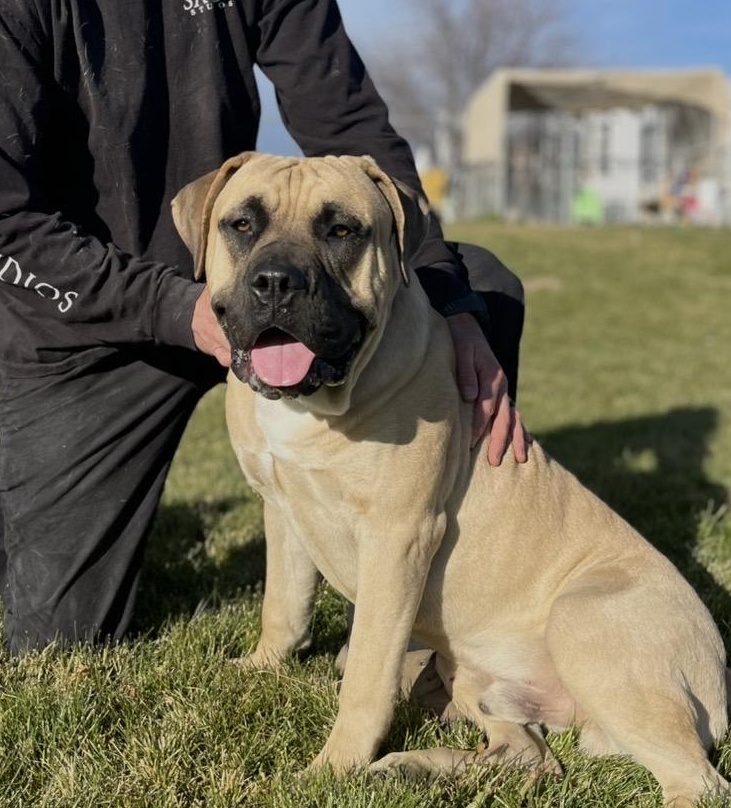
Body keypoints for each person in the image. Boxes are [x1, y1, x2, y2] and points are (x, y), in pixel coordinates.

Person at [0, 0, 528, 655]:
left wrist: (451, 303)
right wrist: (177, 307)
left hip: (250, 282)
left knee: (484, 286)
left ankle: (445, 584)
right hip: (91, 323)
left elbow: (350, 123)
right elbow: (7, 225)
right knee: (59, 637)